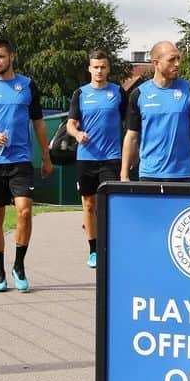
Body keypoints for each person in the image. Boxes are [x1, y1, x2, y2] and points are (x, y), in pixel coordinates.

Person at [0, 38, 54, 293]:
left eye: (1, 57)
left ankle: (19, 266)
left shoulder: (27, 86)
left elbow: (38, 123)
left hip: (21, 161)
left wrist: (46, 157)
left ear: (11, 57)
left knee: (24, 210)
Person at [66, 50, 127, 268]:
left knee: (109, 204)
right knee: (89, 204)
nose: (99, 71)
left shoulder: (118, 92)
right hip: (86, 158)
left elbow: (130, 124)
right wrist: (77, 134)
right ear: (89, 69)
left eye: (103, 67)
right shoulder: (80, 94)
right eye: (95, 67)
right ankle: (93, 250)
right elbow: (70, 123)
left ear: (108, 69)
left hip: (112, 158)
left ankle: (110, 246)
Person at [121, 41, 190, 183]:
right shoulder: (139, 94)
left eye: (178, 59)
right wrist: (124, 174)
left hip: (184, 174)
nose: (177, 64)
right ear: (156, 63)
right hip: (150, 175)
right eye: (171, 60)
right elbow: (132, 136)